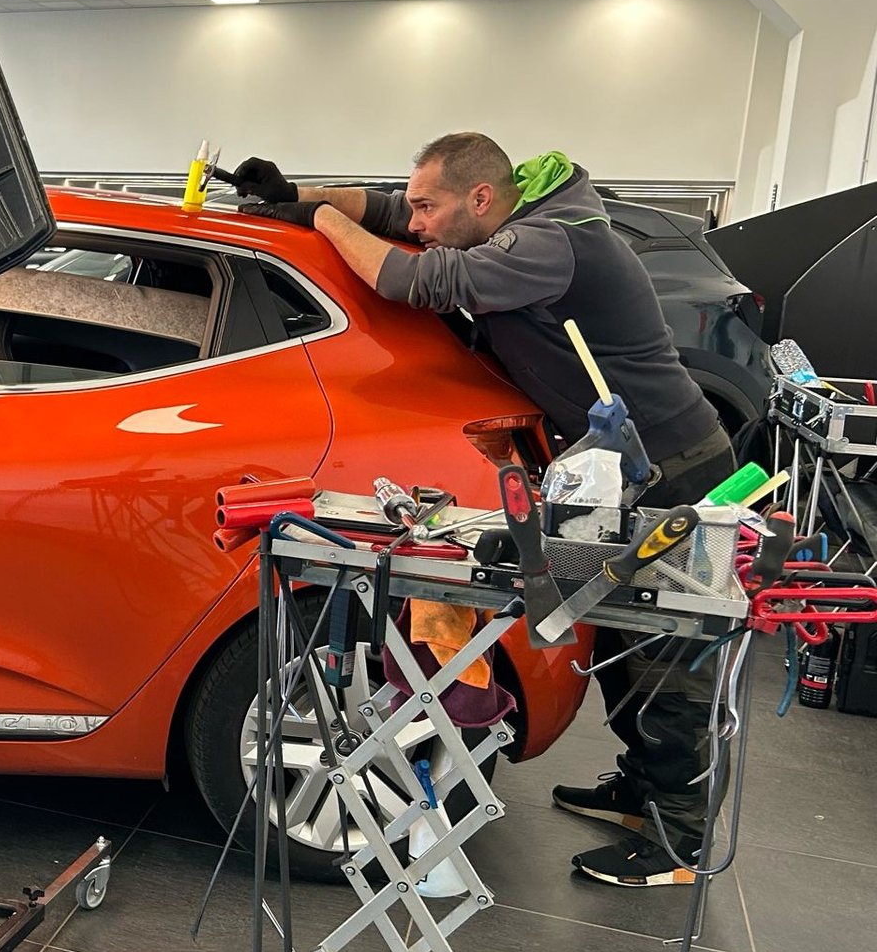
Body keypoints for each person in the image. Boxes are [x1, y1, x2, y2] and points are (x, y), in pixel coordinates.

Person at [233, 134, 735, 888]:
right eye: (418, 205)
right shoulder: (509, 213)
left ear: (480, 201)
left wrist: (324, 225)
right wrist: (294, 196)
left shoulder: (551, 243)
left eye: (432, 207)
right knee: (622, 641)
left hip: (675, 473)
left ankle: (679, 844)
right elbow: (390, 208)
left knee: (668, 656)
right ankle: (640, 794)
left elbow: (417, 278)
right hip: (617, 468)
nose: (417, 219)